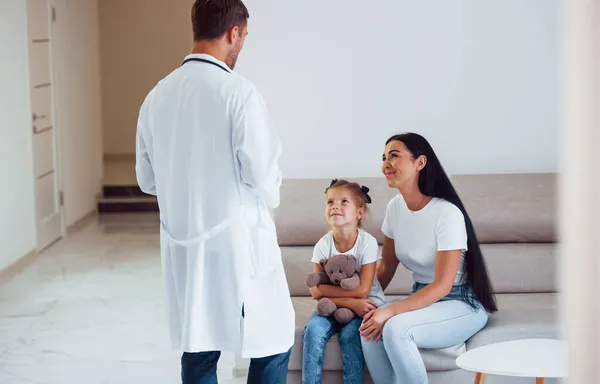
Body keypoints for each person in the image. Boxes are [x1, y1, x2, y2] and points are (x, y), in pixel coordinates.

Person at [135, 1, 295, 383]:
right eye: (244, 38)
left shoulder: (157, 96)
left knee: (200, 347)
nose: (241, 47)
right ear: (234, 32)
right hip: (239, 248)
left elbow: (146, 180)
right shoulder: (238, 93)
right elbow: (263, 178)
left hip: (185, 249)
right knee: (273, 341)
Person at [359, 133, 497, 384]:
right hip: (422, 297)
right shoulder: (395, 208)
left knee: (396, 328)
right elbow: (387, 267)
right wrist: (360, 300)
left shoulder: (446, 213)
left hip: (461, 301)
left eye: (394, 156)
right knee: (369, 327)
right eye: (383, 158)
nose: (386, 164)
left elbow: (443, 286)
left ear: (420, 162)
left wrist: (389, 311)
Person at [302, 179, 386, 384]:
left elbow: (363, 290)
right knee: (312, 331)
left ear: (360, 212)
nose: (335, 206)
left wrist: (353, 303)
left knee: (350, 336)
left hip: (366, 304)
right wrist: (350, 302)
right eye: (330, 202)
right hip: (334, 305)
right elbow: (315, 291)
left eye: (343, 201)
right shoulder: (323, 245)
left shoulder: (367, 242)